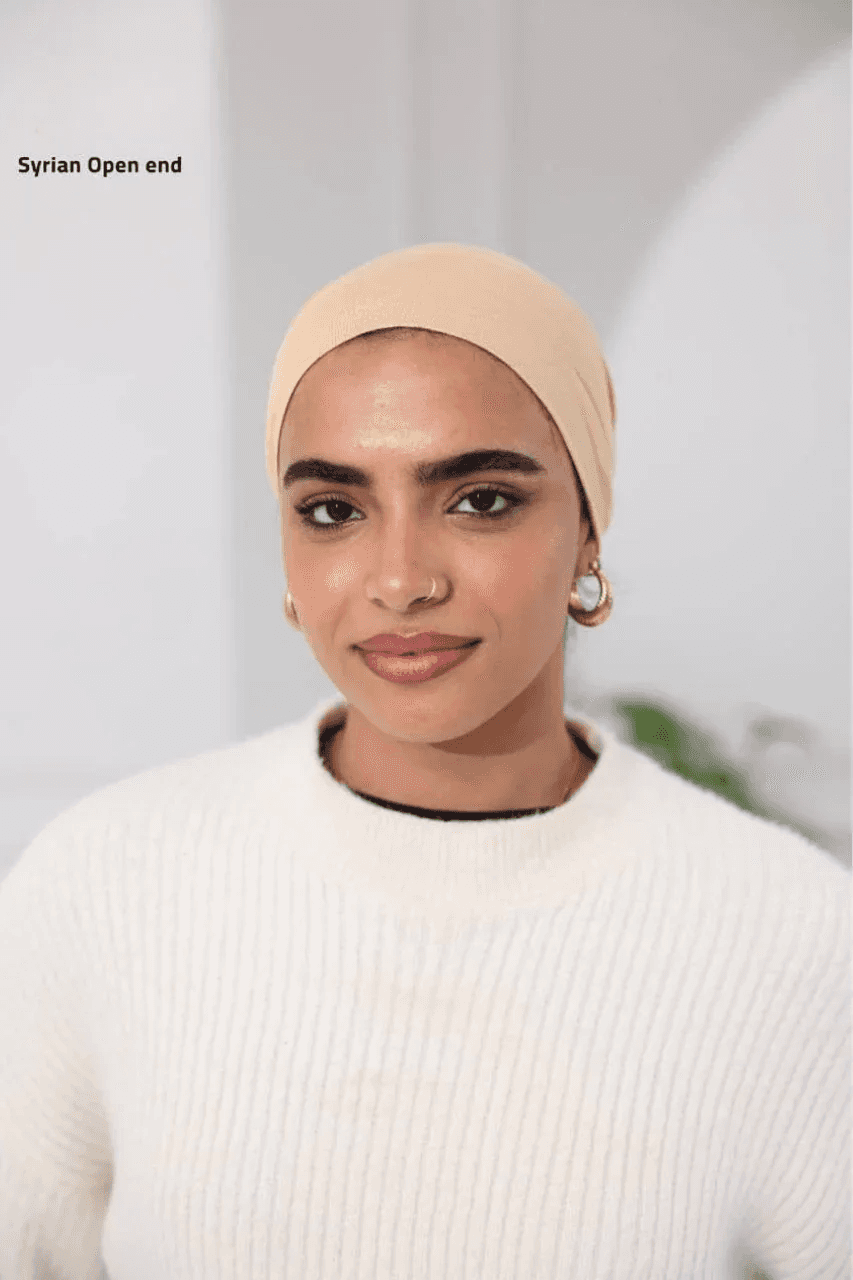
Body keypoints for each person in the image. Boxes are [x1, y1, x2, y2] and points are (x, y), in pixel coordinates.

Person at [0, 243, 848, 1279]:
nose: (400, 579)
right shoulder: (100, 882)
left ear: (587, 525)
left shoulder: (794, 936)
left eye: (480, 498)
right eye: (334, 510)